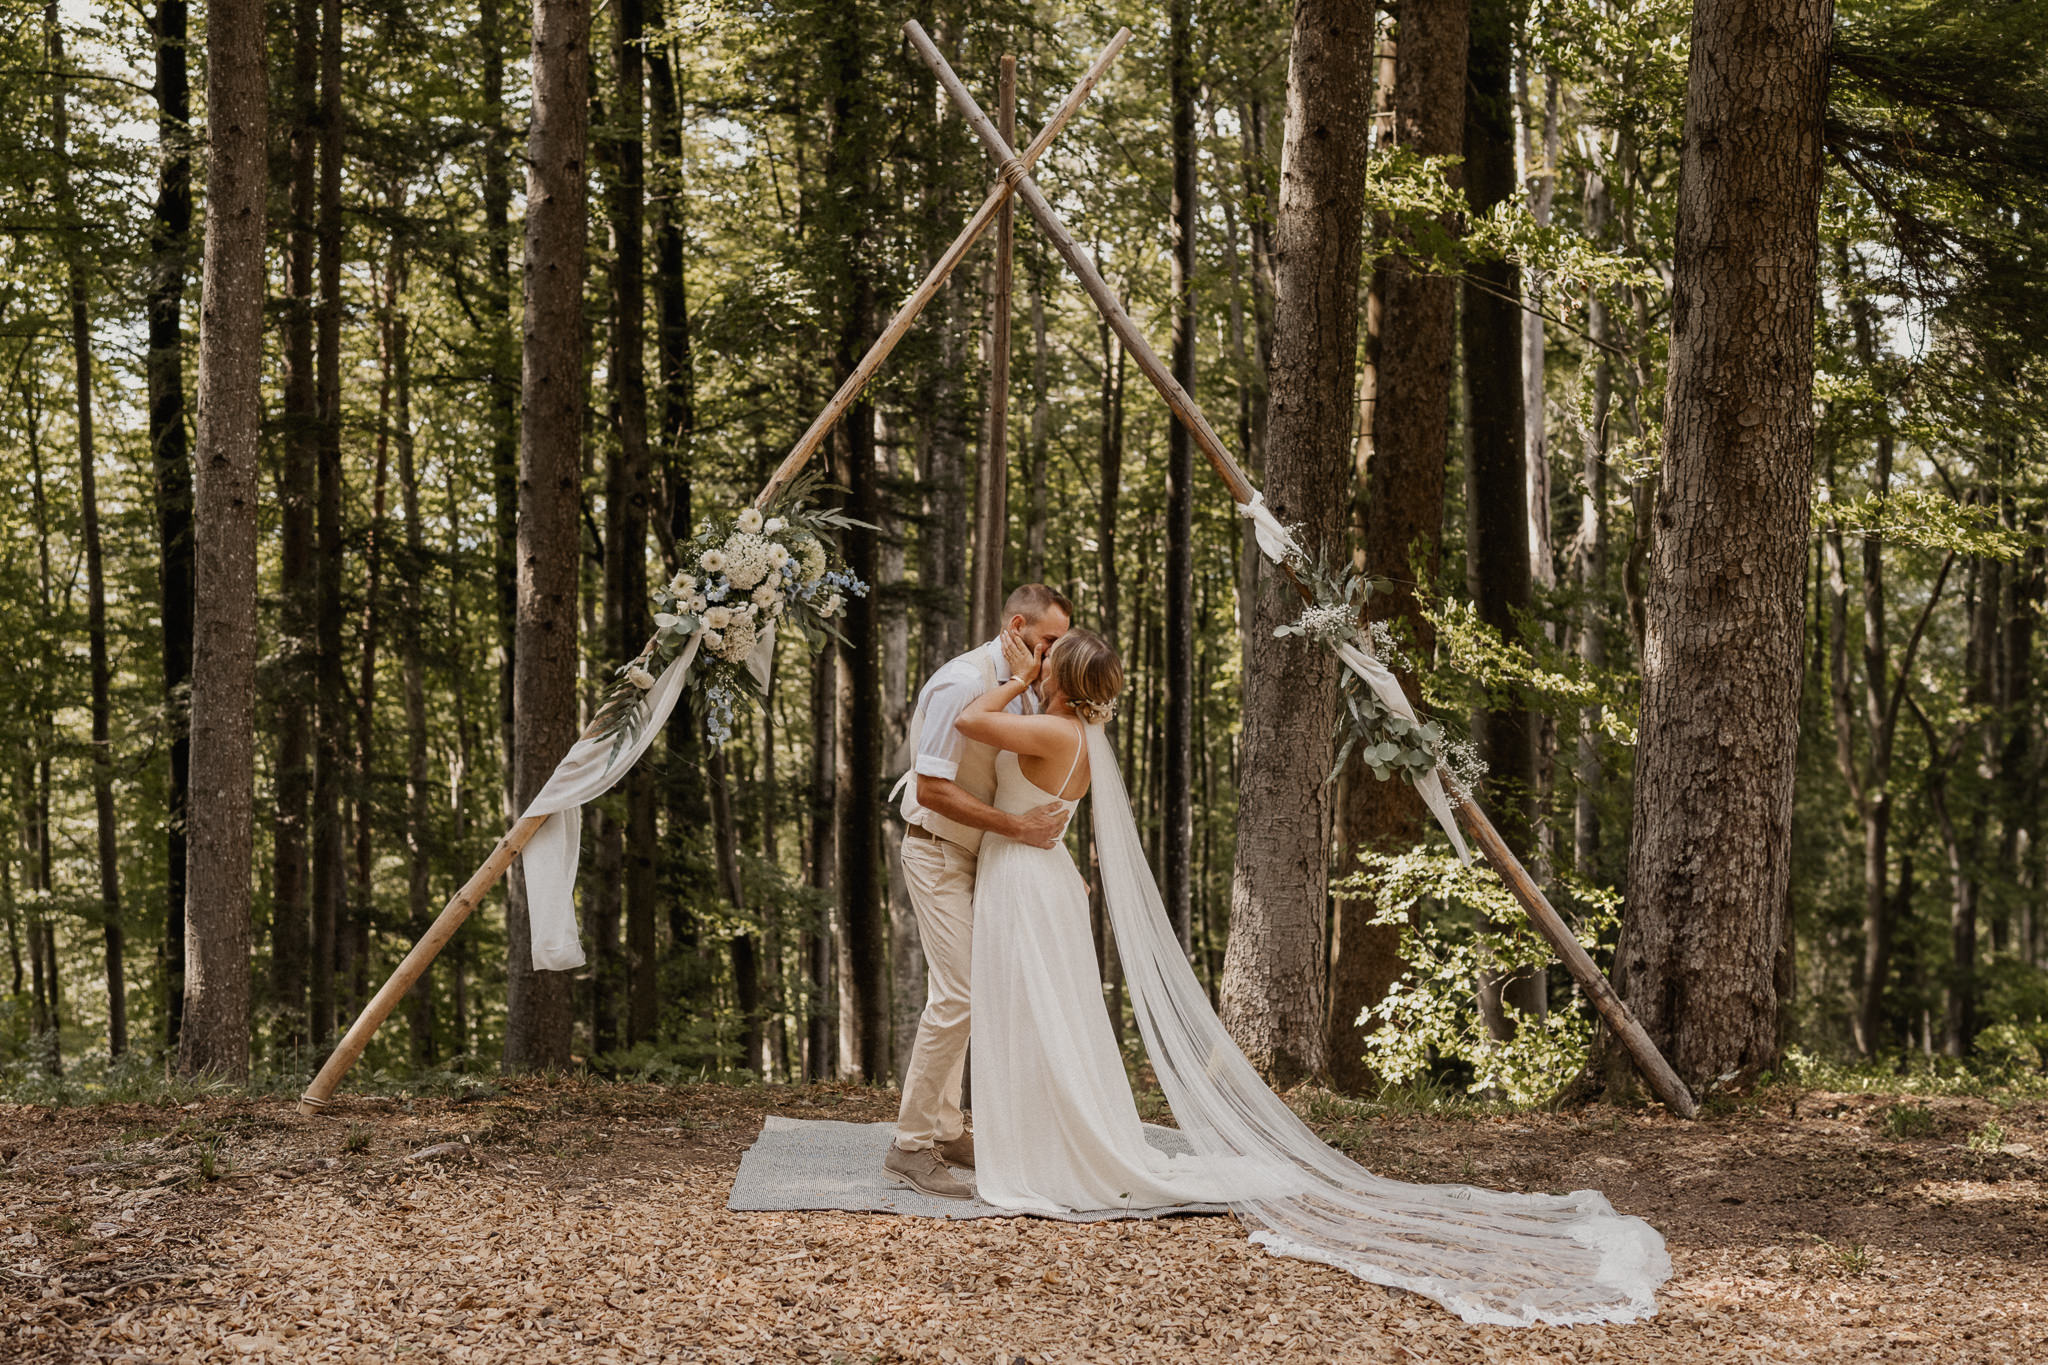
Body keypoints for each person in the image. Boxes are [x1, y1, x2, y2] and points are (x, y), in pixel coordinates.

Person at [944, 626, 1674, 1327]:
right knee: (1046, 1013)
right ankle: (1048, 1133)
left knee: (1030, 1013)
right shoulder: (1082, 737)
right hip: (1040, 878)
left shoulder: (1048, 730)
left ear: (1061, 681)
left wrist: (1014, 679)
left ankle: (1039, 1148)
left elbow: (971, 719)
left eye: (1050, 663)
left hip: (1023, 879)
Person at [881, 584, 1072, 1199]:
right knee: (959, 993)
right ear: (1018, 628)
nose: (1055, 655)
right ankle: (910, 1146)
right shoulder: (961, 684)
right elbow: (933, 789)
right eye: (1049, 642)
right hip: (936, 850)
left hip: (983, 856)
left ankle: (946, 1126)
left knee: (974, 990)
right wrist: (1017, 828)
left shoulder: (1025, 687)